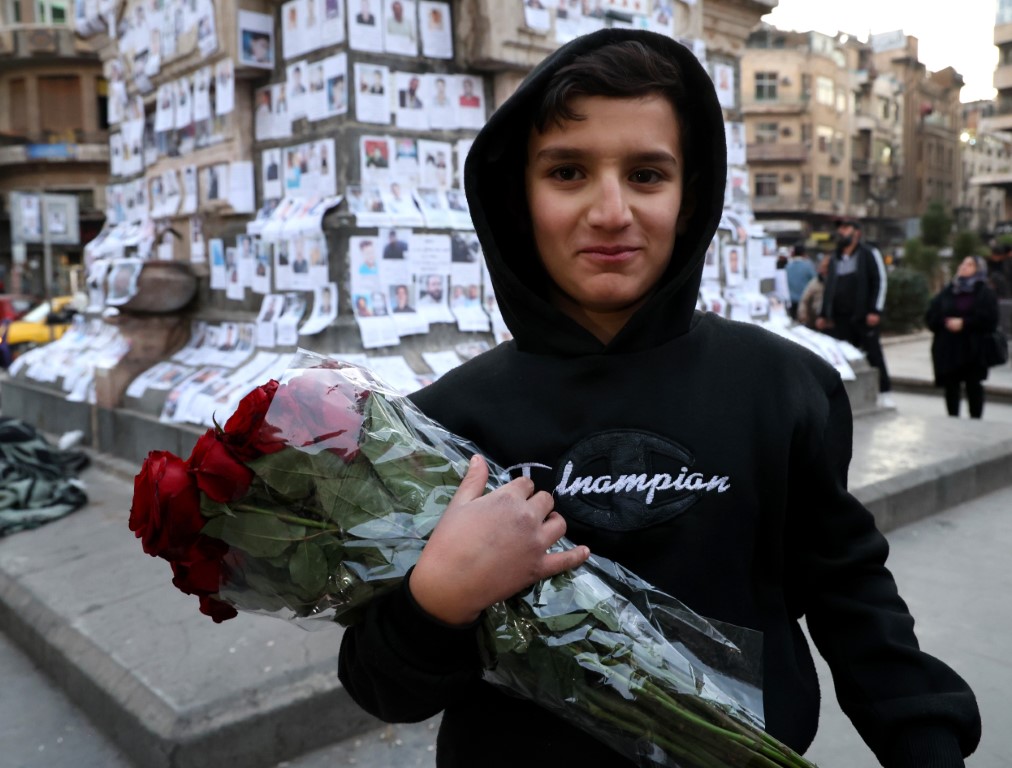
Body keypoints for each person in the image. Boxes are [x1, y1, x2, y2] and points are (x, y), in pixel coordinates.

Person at [337, 29, 981, 768]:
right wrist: (438, 598)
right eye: (569, 172)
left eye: (646, 174)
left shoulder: (781, 387)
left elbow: (851, 593)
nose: (611, 212)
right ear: (518, 196)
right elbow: (382, 688)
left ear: (691, 194)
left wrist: (925, 739)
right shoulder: (440, 425)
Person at [817, 217, 895, 408]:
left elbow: (880, 281)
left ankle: (884, 392)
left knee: (873, 354)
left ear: (856, 232)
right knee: (840, 357)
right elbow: (828, 287)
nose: (841, 232)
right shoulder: (835, 257)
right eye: (840, 228)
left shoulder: (869, 253)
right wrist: (823, 314)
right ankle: (844, 397)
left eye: (846, 228)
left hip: (863, 317)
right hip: (839, 319)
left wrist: (875, 309)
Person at [925, 255, 1000, 419]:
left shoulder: (985, 293)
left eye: (970, 264)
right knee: (951, 386)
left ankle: (975, 419)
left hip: (974, 348)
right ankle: (953, 418)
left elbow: (990, 320)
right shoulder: (949, 290)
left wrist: (964, 323)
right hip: (949, 348)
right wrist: (946, 322)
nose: (964, 267)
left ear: (978, 270)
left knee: (973, 385)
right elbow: (932, 315)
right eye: (963, 263)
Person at [797, 253, 830, 330]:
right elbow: (804, 301)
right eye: (823, 267)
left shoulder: (836, 282)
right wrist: (803, 317)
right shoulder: (814, 283)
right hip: (814, 322)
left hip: (830, 324)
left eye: (827, 267)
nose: (825, 269)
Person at [785, 243, 816, 321]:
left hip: (790, 301)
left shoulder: (788, 266)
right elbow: (815, 281)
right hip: (804, 302)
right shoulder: (808, 266)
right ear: (803, 253)